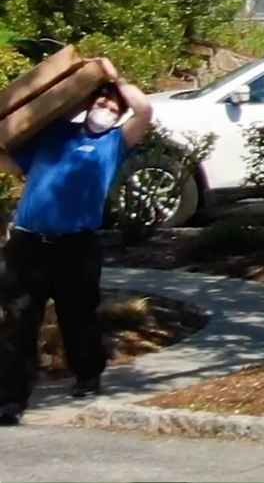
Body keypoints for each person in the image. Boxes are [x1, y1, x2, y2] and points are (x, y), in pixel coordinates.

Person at [0, 59, 152, 425]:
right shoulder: (53, 134)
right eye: (101, 101)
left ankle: (87, 374)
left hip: (76, 247)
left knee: (78, 316)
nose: (106, 108)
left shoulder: (115, 144)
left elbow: (145, 110)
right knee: (17, 320)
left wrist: (112, 78)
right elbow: (13, 163)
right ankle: (10, 399)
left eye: (113, 107)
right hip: (28, 243)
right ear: (88, 104)